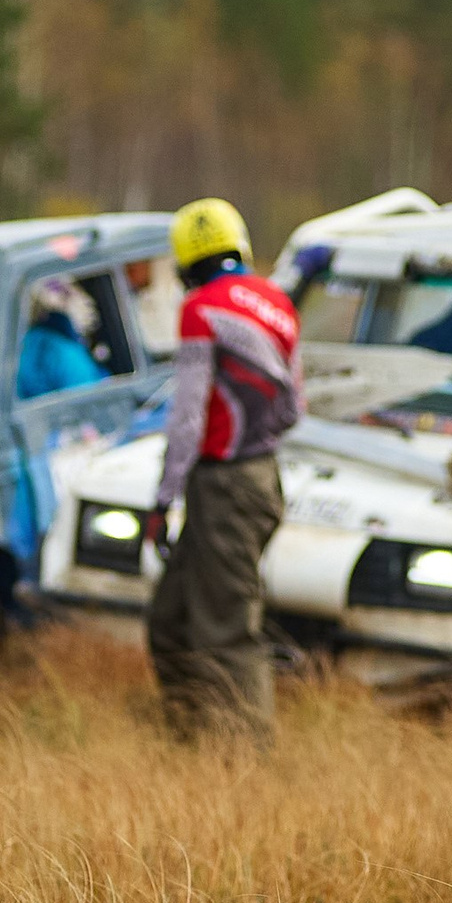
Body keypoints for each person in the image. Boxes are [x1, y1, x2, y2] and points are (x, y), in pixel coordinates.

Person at [146, 198, 306, 745]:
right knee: (170, 621)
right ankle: (191, 745)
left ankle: (245, 766)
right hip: (262, 477)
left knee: (227, 632)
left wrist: (163, 499)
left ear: (187, 262)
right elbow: (294, 409)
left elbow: (187, 417)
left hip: (225, 483)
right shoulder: (278, 303)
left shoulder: (200, 310)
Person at [15, 276, 107, 399]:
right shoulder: (65, 354)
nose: (85, 300)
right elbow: (88, 404)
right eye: (64, 291)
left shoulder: (30, 340)